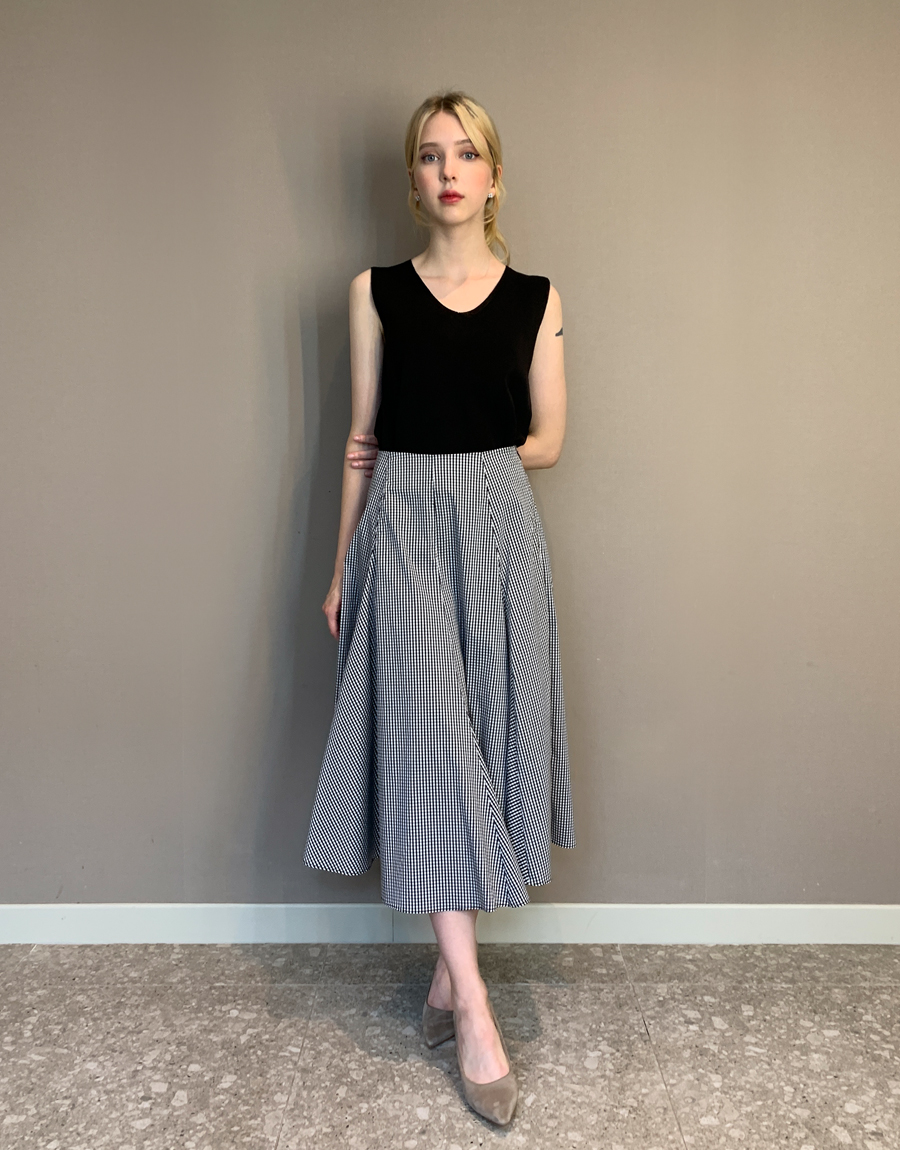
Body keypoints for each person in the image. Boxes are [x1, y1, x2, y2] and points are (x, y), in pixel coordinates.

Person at [302, 90, 576, 1126]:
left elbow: (549, 437)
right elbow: (361, 440)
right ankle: (478, 1017)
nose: (449, 170)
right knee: (432, 751)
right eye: (430, 155)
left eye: (467, 154)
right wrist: (342, 567)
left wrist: (478, 466)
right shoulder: (373, 292)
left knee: (487, 744)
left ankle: (444, 977)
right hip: (401, 524)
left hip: (498, 528)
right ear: (413, 178)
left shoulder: (538, 297)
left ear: (493, 175)